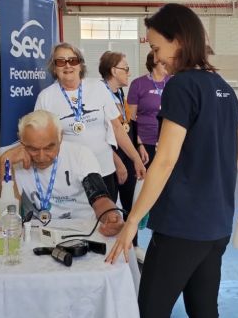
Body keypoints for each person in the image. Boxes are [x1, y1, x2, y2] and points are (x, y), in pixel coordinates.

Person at [106, 3, 238, 318]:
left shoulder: (182, 86)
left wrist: (131, 222)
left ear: (180, 40)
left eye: (157, 46)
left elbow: (164, 160)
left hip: (183, 227)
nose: (155, 56)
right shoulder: (224, 88)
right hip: (215, 226)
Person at [34, 42, 146, 201]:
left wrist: (135, 158)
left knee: (106, 214)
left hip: (103, 170)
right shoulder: (46, 97)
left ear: (80, 64)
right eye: (61, 61)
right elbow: (41, 138)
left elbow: (116, 128)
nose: (68, 65)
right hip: (69, 174)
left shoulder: (98, 88)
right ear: (54, 67)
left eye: (72, 60)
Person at [1, 109, 123, 236]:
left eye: (49, 147)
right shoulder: (15, 160)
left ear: (60, 138)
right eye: (33, 149)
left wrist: (110, 215)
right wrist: (4, 162)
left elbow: (99, 197)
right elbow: (7, 212)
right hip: (37, 233)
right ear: (21, 141)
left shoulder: (80, 155)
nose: (41, 157)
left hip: (83, 229)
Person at [98, 50, 149, 235]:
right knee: (110, 210)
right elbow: (100, 136)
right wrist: (117, 162)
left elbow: (128, 124)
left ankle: (131, 245)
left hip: (127, 154)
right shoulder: (99, 95)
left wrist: (139, 145)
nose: (129, 72)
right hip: (111, 159)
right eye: (125, 69)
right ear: (113, 70)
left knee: (131, 205)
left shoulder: (119, 93)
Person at [127, 51, 171, 164]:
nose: (167, 65)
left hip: (168, 139)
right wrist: (138, 143)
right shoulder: (138, 84)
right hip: (145, 140)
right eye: (163, 63)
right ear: (154, 64)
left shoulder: (173, 82)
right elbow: (130, 118)